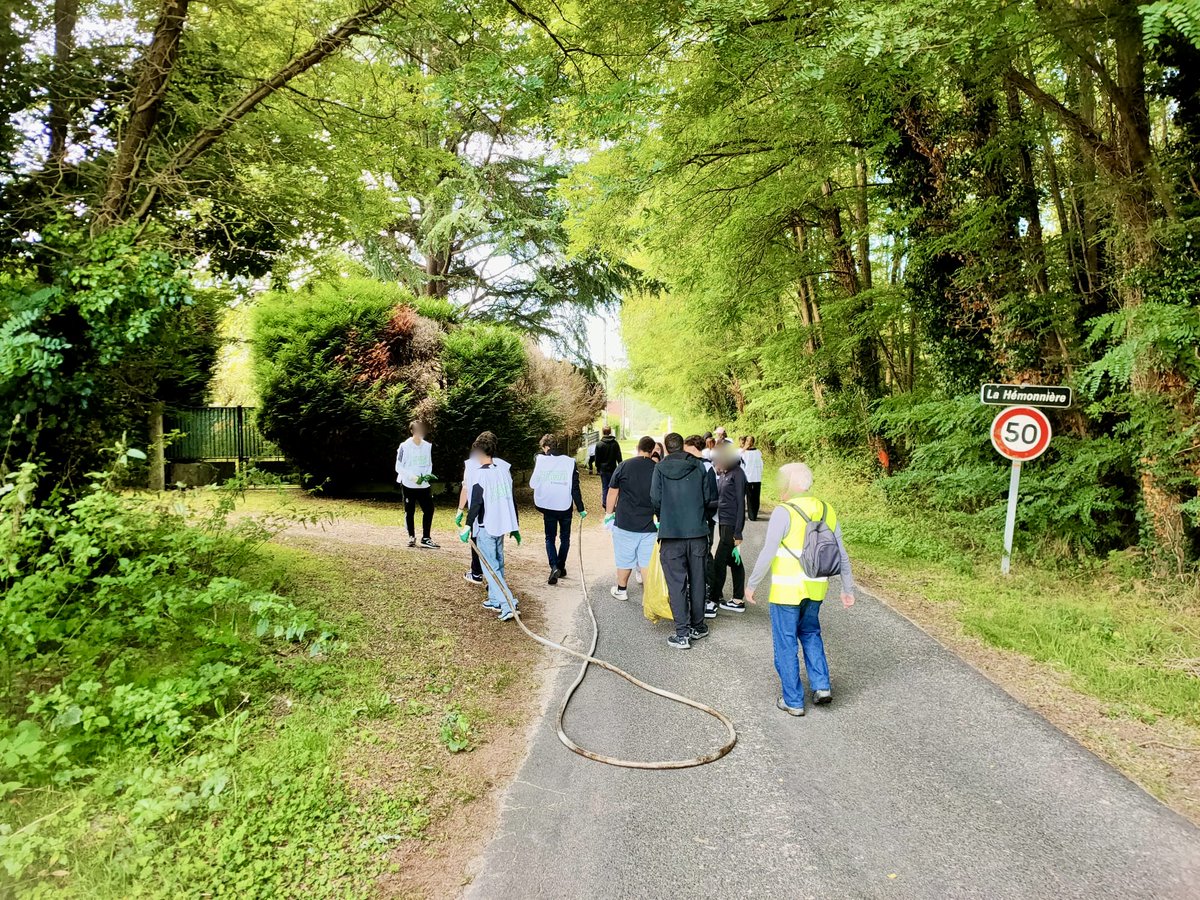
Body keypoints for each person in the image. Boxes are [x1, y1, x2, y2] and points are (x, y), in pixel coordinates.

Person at [744, 462, 856, 716]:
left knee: (785, 642)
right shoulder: (827, 509)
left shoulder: (784, 512)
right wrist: (847, 588)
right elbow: (841, 553)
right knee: (811, 633)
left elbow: (768, 551)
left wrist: (751, 584)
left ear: (792, 484)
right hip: (816, 588)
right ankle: (821, 686)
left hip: (786, 591)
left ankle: (793, 700)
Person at [651, 432, 718, 649]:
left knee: (676, 583)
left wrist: (664, 516)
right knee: (698, 580)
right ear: (682, 447)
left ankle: (682, 634)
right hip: (697, 532)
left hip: (671, 534)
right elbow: (708, 497)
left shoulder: (659, 468)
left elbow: (655, 499)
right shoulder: (699, 467)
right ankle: (698, 626)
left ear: (667, 449)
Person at [465, 437, 522, 621]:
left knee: (491, 568)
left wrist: (468, 526)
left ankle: (508, 604)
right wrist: (515, 526)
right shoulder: (503, 472)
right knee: (498, 564)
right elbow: (511, 499)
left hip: (486, 527)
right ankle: (495, 599)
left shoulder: (481, 475)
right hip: (501, 526)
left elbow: (476, 503)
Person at [606, 436, 658, 601]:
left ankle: (622, 590)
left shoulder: (624, 466)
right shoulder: (657, 468)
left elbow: (613, 491)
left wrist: (608, 514)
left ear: (637, 447)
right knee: (646, 561)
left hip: (625, 521)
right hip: (649, 523)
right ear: (653, 450)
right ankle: (648, 596)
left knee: (624, 557)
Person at [530, 433, 586, 585]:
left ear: (546, 447)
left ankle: (554, 565)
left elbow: (533, 483)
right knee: (565, 538)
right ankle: (561, 566)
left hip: (549, 505)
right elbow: (575, 487)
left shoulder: (541, 461)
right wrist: (581, 508)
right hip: (565, 506)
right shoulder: (569, 462)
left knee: (550, 537)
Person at [457, 431, 507, 585]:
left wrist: (460, 511)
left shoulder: (474, 465)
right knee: (497, 554)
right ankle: (495, 585)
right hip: (498, 517)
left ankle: (488, 581)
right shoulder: (502, 467)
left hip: (480, 516)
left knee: (483, 546)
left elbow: (467, 489)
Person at [709, 444, 747, 613]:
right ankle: (738, 599)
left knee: (719, 561)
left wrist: (738, 532)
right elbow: (721, 499)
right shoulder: (724, 474)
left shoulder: (738, 474)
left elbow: (740, 503)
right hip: (722, 522)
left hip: (732, 524)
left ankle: (714, 597)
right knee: (734, 561)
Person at [395, 420, 439, 549]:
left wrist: (426, 476)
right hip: (408, 484)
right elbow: (398, 466)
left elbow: (429, 464)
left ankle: (426, 538)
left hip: (424, 485)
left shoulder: (427, 446)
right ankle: (411, 536)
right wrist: (412, 477)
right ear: (412, 431)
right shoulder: (404, 446)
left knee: (429, 509)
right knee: (410, 511)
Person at [593, 425, 622, 509]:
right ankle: (613, 503)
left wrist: (598, 467)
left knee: (605, 486)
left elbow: (597, 458)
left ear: (602, 432)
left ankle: (605, 503)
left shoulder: (599, 444)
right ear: (610, 432)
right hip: (613, 468)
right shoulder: (615, 443)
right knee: (613, 487)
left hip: (603, 469)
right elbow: (619, 457)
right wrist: (620, 467)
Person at [741, 435, 764, 521]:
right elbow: (761, 464)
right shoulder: (758, 452)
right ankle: (754, 514)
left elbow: (739, 458)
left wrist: (744, 448)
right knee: (756, 497)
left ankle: (751, 516)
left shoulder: (745, 453)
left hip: (748, 477)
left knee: (750, 497)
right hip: (757, 477)